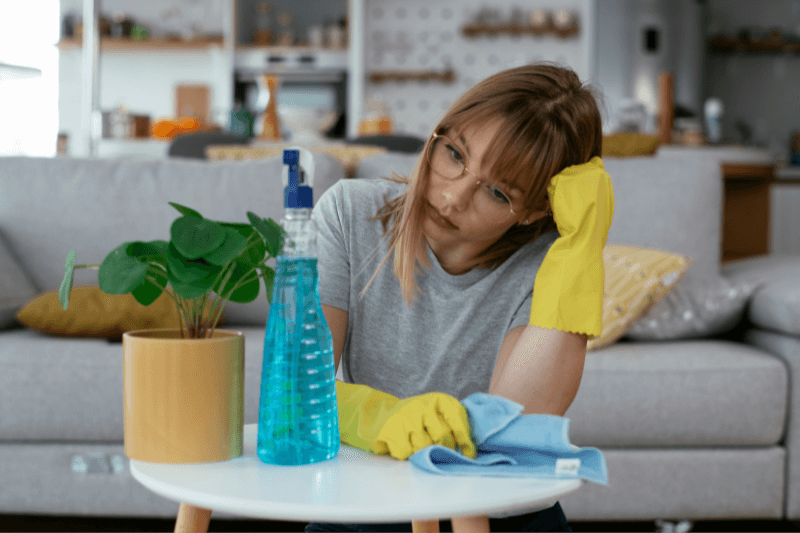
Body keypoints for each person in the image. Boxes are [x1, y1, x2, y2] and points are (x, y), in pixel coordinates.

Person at [305, 62, 614, 533]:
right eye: (453, 155)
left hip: (504, 514)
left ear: (533, 210)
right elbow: (300, 388)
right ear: (436, 136)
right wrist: (383, 416)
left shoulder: (550, 265)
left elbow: (518, 425)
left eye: (495, 192)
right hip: (365, 505)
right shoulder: (349, 215)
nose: (451, 198)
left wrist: (580, 249)